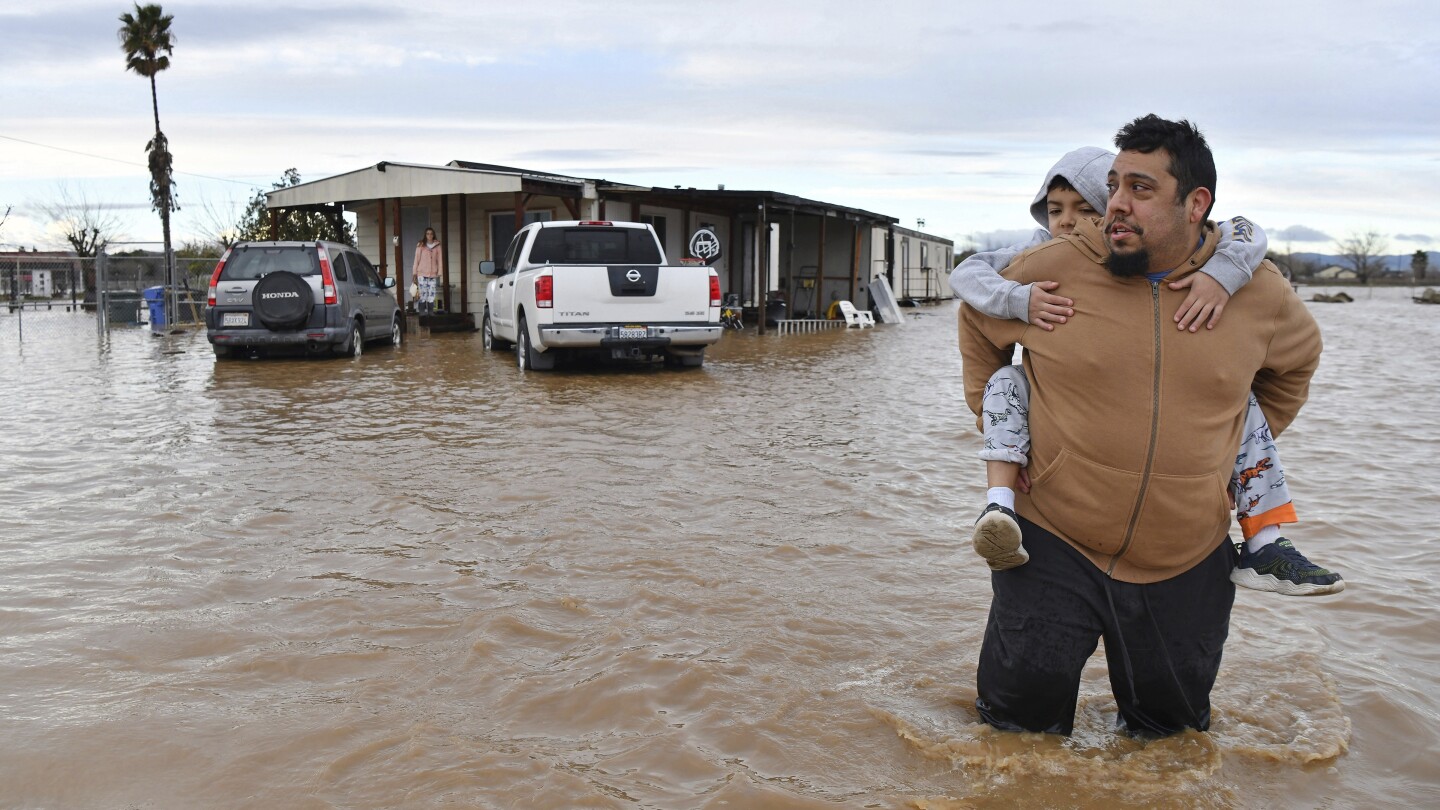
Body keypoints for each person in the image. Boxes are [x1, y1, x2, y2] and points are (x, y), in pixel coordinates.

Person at [958, 115, 1325, 736]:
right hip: (1051, 544)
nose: (1115, 206)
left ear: (1195, 203)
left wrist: (1215, 455)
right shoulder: (1056, 268)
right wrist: (1014, 440)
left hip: (1187, 557)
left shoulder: (1255, 291)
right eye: (1114, 185)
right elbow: (976, 320)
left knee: (1170, 744)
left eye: (1140, 189)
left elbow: (1296, 364)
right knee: (1013, 742)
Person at [950, 146, 1342, 597]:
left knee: (1242, 402)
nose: (1068, 223)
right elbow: (971, 291)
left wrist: (1219, 456)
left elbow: (1246, 235)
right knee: (1028, 668)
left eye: (1085, 209)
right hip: (1055, 534)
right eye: (1055, 211)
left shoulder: (1238, 273)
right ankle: (999, 507)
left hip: (1187, 550)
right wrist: (1016, 303)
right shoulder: (1044, 264)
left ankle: (1265, 544)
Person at [413, 227, 443, 315]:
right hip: (421, 273)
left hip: (433, 273)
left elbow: (440, 260)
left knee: (432, 293)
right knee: (423, 292)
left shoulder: (437, 246)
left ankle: (430, 311)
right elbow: (416, 259)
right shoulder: (421, 245)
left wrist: (439, 272)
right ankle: (422, 311)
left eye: (431, 233)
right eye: (427, 233)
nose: (429, 235)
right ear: (425, 235)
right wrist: (414, 272)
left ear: (433, 235)